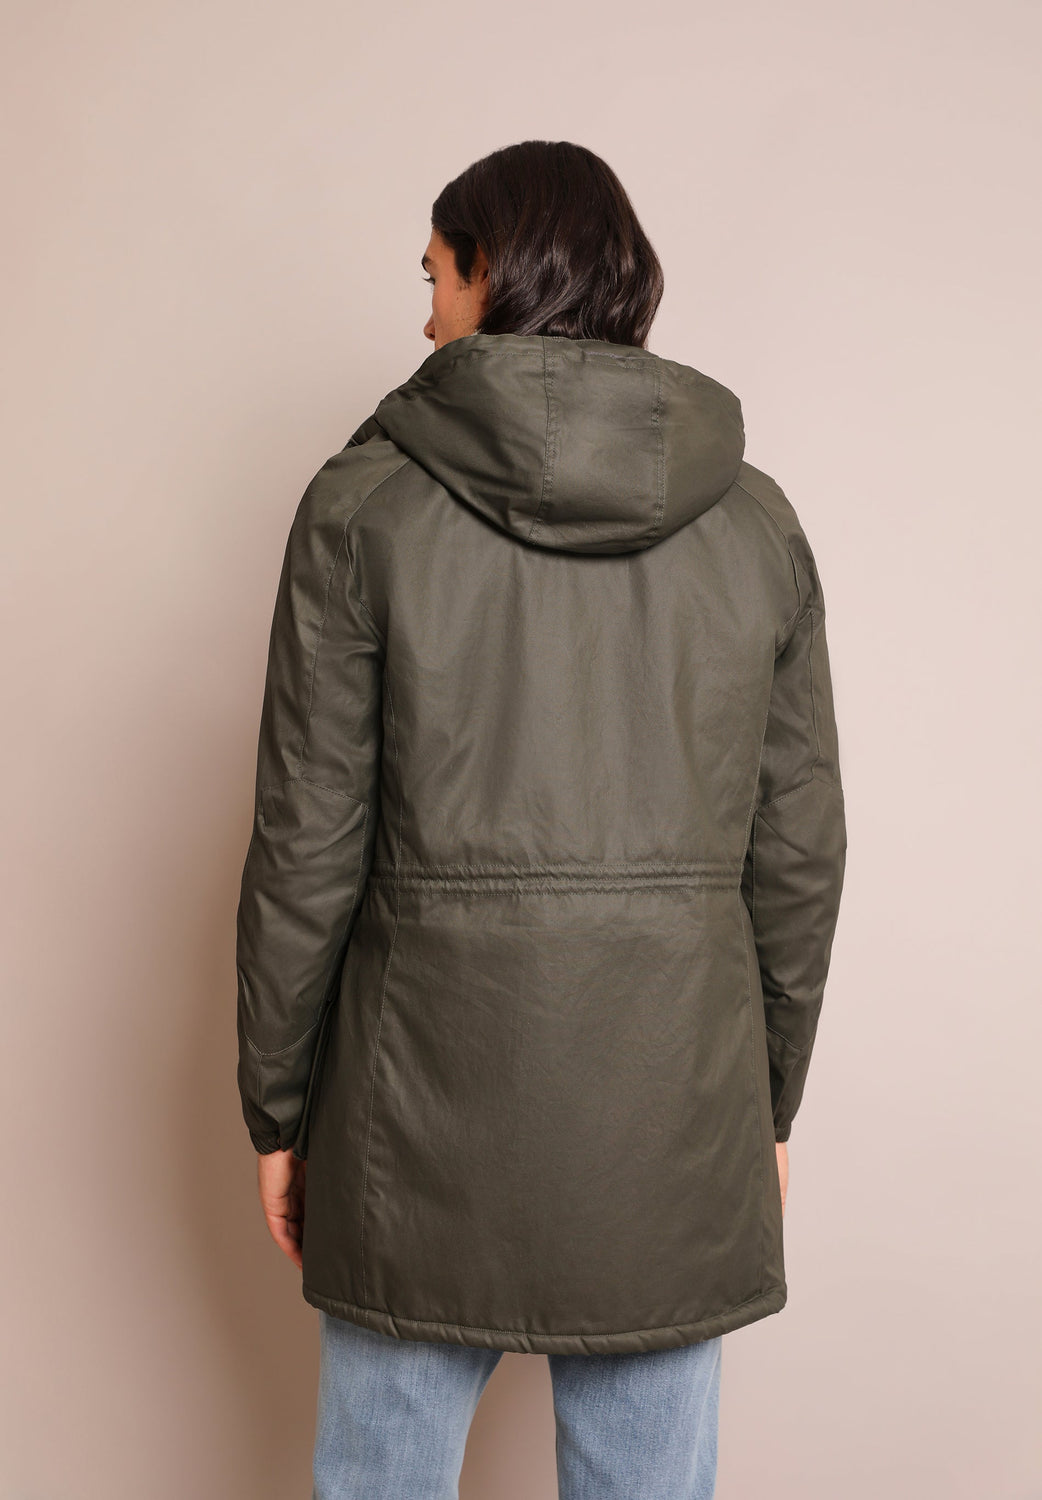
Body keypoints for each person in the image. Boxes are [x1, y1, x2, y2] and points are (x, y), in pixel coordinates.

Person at [234, 139, 847, 1500]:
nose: (424, 319)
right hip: (674, 1109)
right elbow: (799, 853)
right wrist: (764, 1100)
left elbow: (305, 843)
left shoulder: (360, 510)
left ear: (491, 271)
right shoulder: (757, 526)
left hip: (412, 1110)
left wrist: (278, 1107)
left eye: (433, 278)